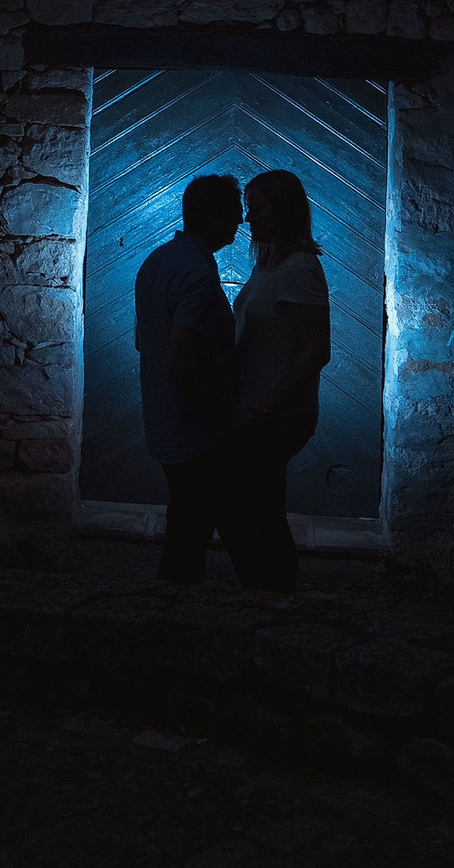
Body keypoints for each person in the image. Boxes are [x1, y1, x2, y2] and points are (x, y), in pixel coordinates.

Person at [135, 173, 278, 586]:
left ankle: (173, 619)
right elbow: (179, 360)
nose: (243, 222)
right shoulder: (197, 274)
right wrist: (227, 414)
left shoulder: (158, 261)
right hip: (197, 430)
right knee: (234, 529)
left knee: (189, 526)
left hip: (166, 423)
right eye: (236, 214)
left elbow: (145, 342)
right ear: (215, 217)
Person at [227, 168, 334, 593]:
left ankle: (272, 594)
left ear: (283, 211)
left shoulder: (300, 270)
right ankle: (271, 594)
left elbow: (315, 351)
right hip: (259, 408)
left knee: (250, 507)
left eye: (257, 209)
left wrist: (267, 404)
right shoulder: (268, 265)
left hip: (277, 414)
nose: (248, 219)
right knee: (259, 507)